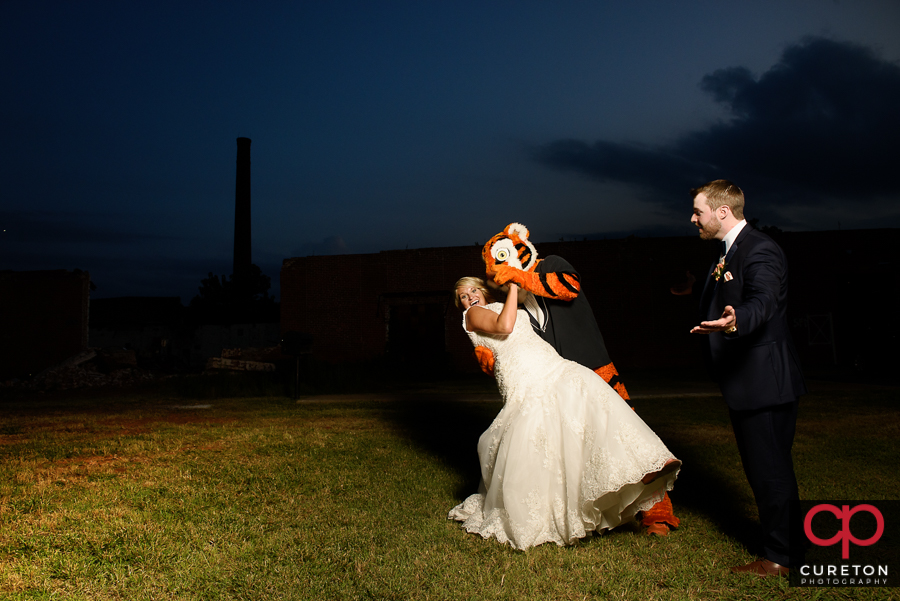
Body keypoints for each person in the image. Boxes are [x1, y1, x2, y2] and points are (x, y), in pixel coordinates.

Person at [448, 276, 680, 550]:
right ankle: (552, 512)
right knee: (541, 434)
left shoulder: (500, 303)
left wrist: (517, 281)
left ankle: (644, 464)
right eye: (463, 295)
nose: (470, 297)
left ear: (483, 290)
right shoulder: (473, 314)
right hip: (525, 378)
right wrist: (512, 286)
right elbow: (505, 325)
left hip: (549, 363)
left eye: (474, 290)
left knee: (588, 398)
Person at [688, 180, 807, 577]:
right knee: (764, 469)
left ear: (723, 212)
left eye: (698, 212)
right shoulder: (729, 251)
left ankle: (782, 557)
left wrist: (738, 320)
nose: (693, 219)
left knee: (770, 471)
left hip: (764, 383)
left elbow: (764, 299)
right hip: (749, 384)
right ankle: (786, 546)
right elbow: (730, 290)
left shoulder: (759, 248)